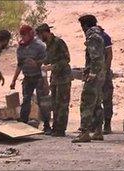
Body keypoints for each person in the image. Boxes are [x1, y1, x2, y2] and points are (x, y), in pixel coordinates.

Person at [10, 25, 52, 135]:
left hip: (39, 76)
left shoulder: (39, 46)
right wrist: (14, 80)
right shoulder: (21, 48)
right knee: (26, 100)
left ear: (31, 34)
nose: (23, 37)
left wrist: (45, 81)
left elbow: (45, 63)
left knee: (42, 101)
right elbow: (19, 65)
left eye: (25, 35)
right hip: (28, 77)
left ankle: (47, 125)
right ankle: (23, 122)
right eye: (22, 35)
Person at [72, 15, 107, 143]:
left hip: (94, 76)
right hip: (100, 75)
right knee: (97, 103)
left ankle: (84, 133)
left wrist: (92, 73)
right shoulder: (100, 35)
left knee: (86, 103)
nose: (82, 29)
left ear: (85, 25)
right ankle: (98, 131)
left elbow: (96, 57)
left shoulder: (93, 37)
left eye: (82, 26)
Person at [36, 23, 73, 137]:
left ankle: (61, 129)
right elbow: (48, 59)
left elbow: (66, 59)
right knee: (55, 104)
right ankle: (55, 127)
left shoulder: (58, 42)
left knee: (62, 104)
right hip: (55, 78)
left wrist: (52, 67)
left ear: (45, 33)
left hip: (63, 77)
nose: (40, 37)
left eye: (40, 34)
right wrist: (39, 63)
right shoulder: (49, 44)